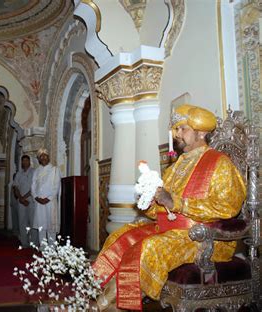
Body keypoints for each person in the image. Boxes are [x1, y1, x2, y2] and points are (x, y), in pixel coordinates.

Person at [92, 104, 246, 311]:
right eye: (176, 130)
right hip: (171, 230)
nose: (177, 134)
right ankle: (99, 298)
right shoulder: (176, 167)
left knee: (149, 248)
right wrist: (148, 203)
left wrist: (177, 203)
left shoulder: (220, 163)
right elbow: (161, 209)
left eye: (183, 129)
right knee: (120, 237)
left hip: (204, 236)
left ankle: (108, 306)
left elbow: (228, 206)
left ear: (200, 132)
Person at [31, 148, 61, 247]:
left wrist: (48, 198)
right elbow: (33, 186)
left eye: (45, 156)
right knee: (41, 226)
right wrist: (36, 197)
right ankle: (43, 248)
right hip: (39, 202)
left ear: (48, 157)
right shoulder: (36, 171)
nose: (43, 158)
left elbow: (56, 186)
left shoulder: (54, 169)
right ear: (39, 159)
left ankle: (52, 249)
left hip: (50, 202)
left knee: (51, 226)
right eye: (41, 156)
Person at [12, 155, 35, 247]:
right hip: (21, 200)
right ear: (21, 162)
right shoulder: (19, 173)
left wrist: (24, 197)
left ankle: (33, 242)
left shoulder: (34, 172)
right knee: (22, 221)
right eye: (23, 161)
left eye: (26, 160)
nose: (25, 162)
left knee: (32, 221)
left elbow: (34, 187)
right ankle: (24, 242)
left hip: (31, 200)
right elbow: (15, 187)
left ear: (29, 162)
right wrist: (20, 198)